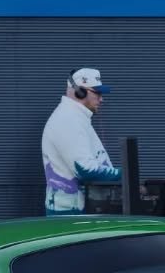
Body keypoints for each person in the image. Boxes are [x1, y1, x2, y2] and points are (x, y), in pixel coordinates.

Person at [42, 68, 120, 215]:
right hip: (71, 214)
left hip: (74, 210)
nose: (101, 99)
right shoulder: (68, 120)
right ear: (80, 92)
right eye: (97, 93)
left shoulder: (75, 118)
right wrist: (125, 175)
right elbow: (86, 170)